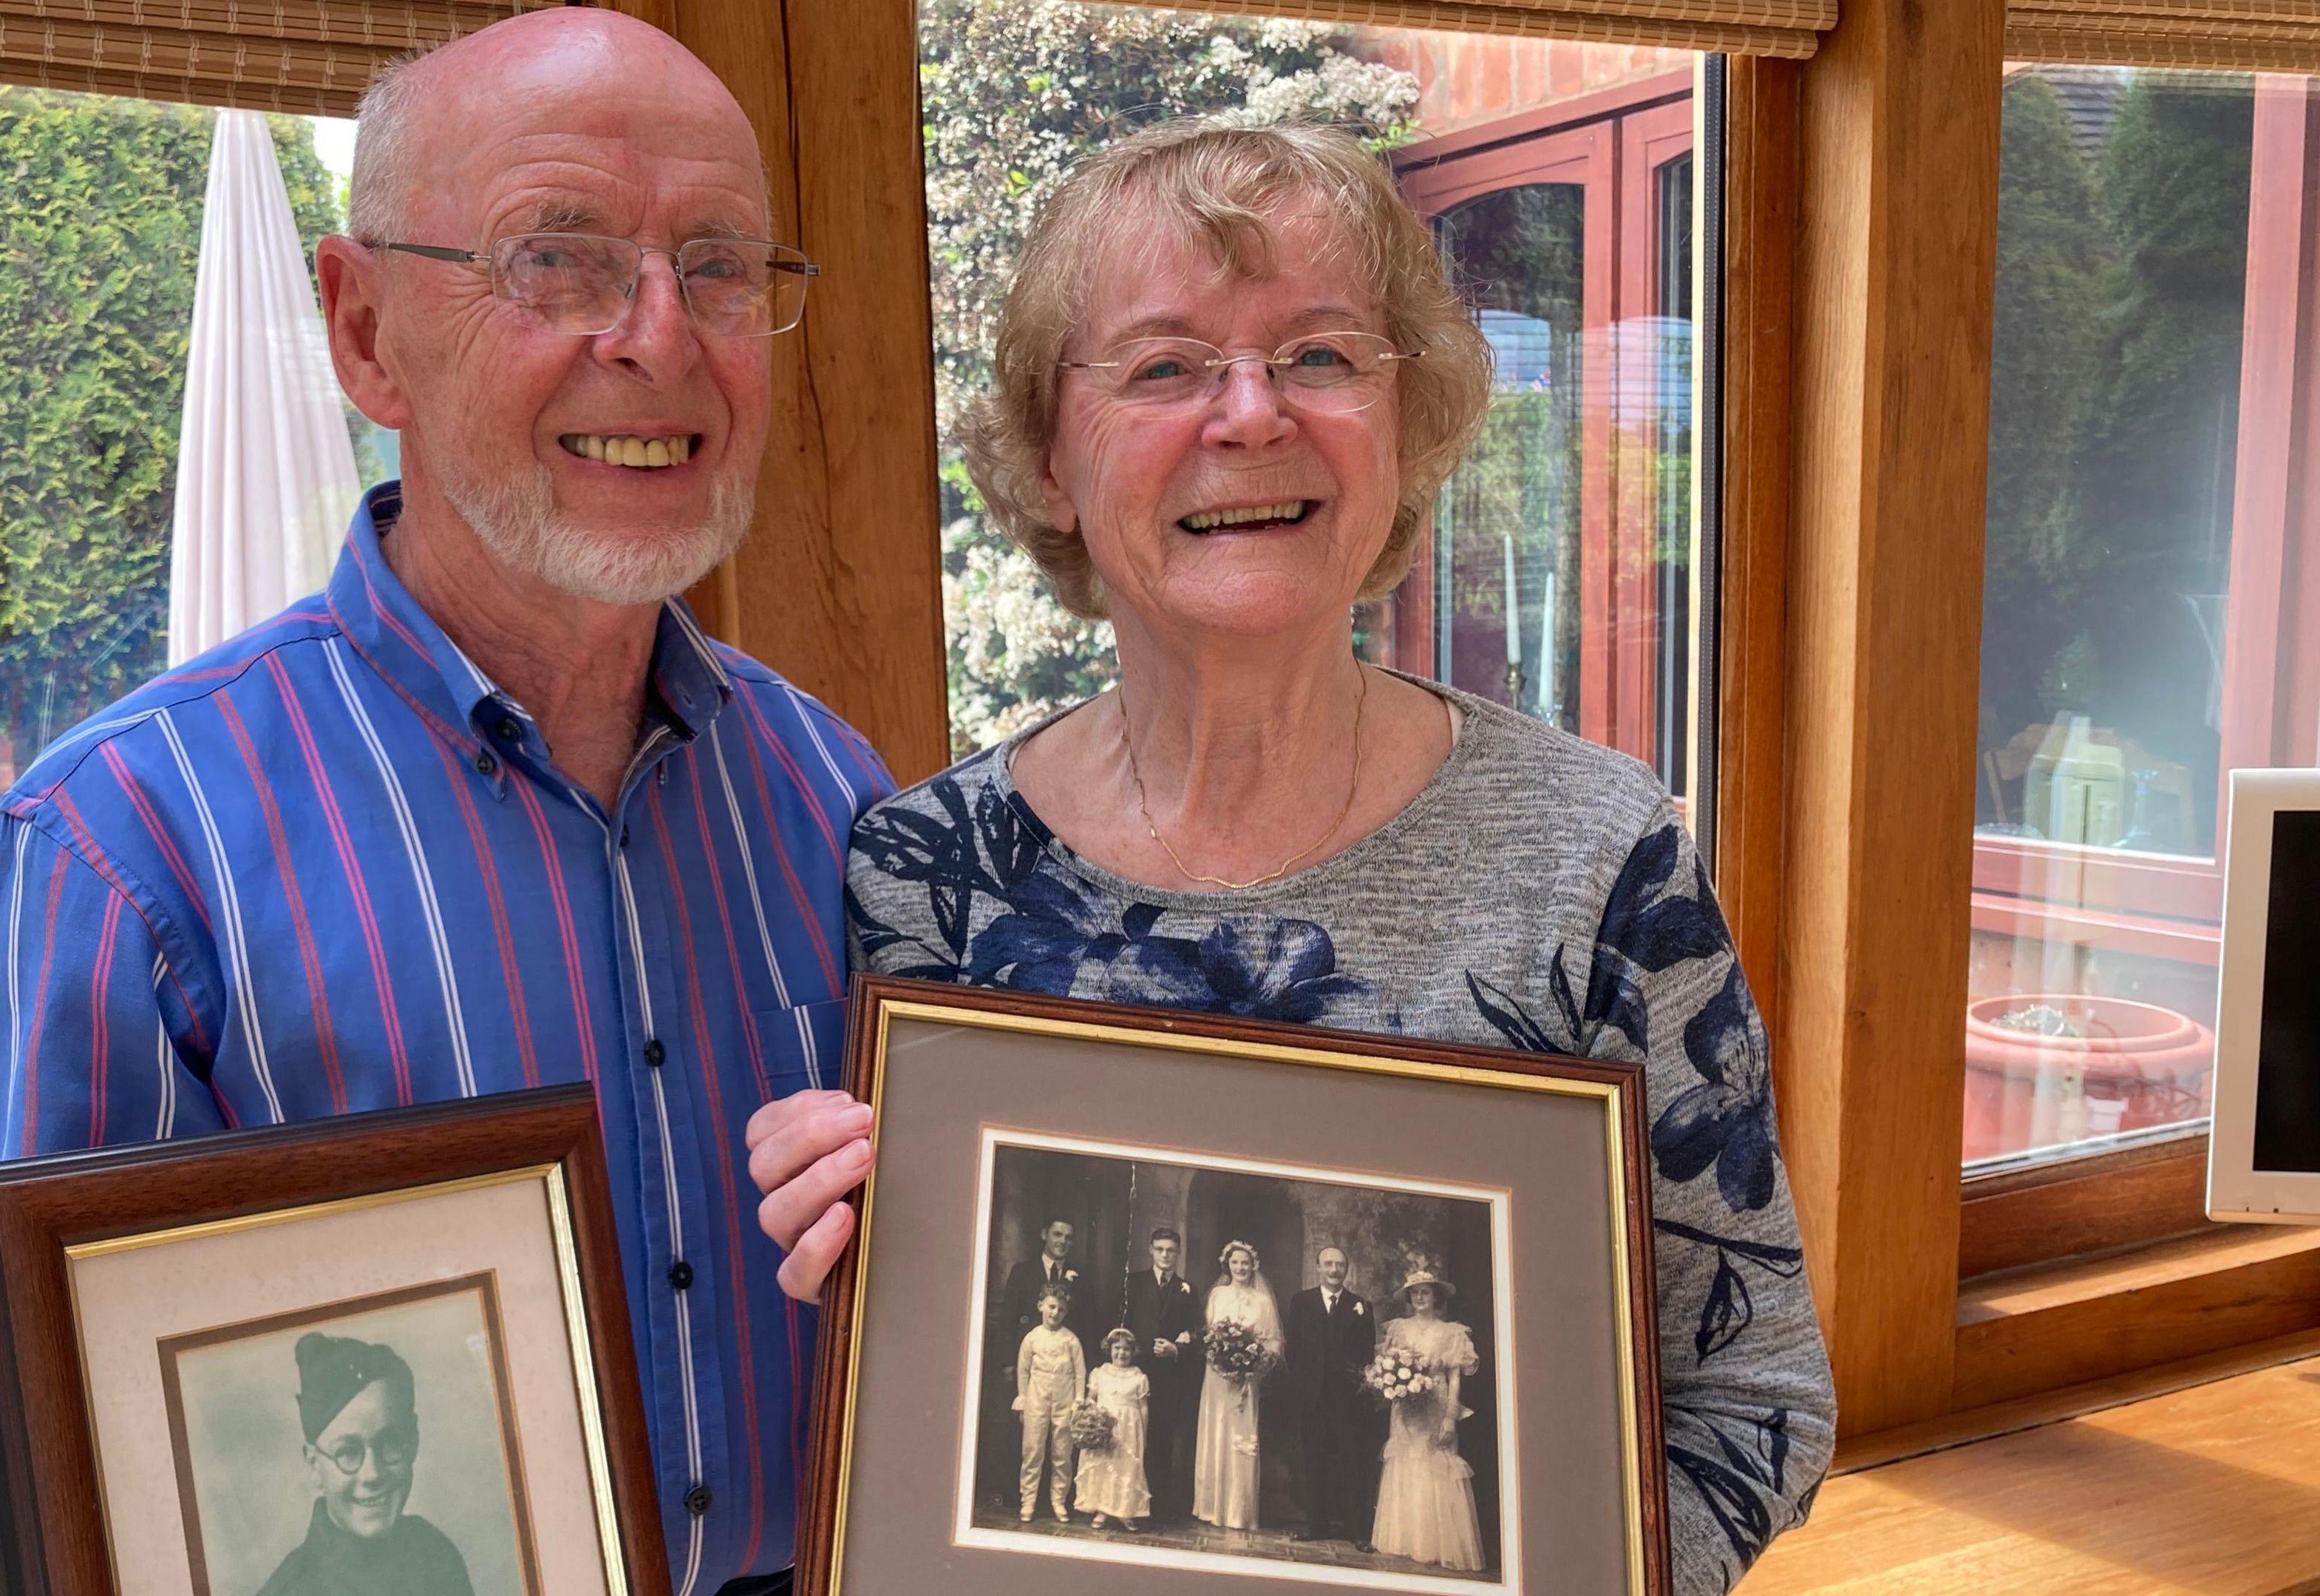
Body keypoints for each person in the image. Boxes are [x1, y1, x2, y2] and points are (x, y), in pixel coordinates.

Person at [751, 117, 1835, 1594]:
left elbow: (1755, 1396)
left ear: (1406, 423)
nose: (1252, 414)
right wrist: (842, 1274)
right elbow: (933, 1454)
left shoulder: (1600, 857)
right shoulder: (920, 870)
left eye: (1322, 356)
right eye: (1164, 366)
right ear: (1053, 457)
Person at [0, 14, 891, 1596]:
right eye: (558, 258)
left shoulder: (836, 794)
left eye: (721, 265)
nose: (658, 336)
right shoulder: (130, 845)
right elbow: (81, 1505)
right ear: (364, 327)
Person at [258, 1334, 476, 1596]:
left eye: (390, 1443)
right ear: (315, 1465)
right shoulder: (291, 1590)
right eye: (348, 1453)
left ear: (413, 1441)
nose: (372, 1474)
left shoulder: (434, 1554)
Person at [1369, 1272, 1483, 1571]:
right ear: (1410, 1298)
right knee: (1407, 1460)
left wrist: (1450, 1416)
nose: (1420, 1298)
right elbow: (1388, 1365)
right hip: (1405, 1406)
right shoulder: (1399, 1329)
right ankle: (1404, 1539)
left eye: (1426, 1293)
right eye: (1415, 1293)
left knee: (1436, 1462)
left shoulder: (1451, 1333)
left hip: (1436, 1401)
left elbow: (1455, 1376)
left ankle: (1434, 1543)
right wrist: (1393, 1383)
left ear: (1436, 1298)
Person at [1281, 1244, 1376, 1543]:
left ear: (1346, 1270)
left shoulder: (1361, 1305)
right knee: (1314, 1463)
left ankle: (1357, 1531)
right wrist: (1303, 1386)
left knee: (1352, 1464)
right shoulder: (1301, 1302)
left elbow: (1366, 1353)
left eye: (1340, 1265)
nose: (1334, 1270)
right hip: (1312, 1397)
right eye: (1328, 1264)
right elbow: (1293, 1349)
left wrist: (1355, 1383)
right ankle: (1315, 1525)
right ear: (1318, 1267)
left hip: (1348, 1399)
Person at [1193, 1239, 1279, 1530]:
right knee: (1216, 1433)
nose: (1240, 1268)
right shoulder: (1217, 1295)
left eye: (1245, 1263)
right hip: (1217, 1377)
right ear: (1227, 1265)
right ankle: (1211, 1507)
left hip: (1245, 1381)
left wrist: (1254, 1363)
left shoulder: (1263, 1302)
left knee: (1242, 1440)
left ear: (1253, 1265)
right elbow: (1209, 1335)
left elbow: (1273, 1342)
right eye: (1235, 1263)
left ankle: (1237, 1512)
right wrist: (1223, 1355)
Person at [1123, 1226, 1200, 1524]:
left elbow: (1197, 1333)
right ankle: (1128, 1504)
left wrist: (1177, 1349)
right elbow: (1121, 1322)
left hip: (1170, 1378)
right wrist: (1138, 1349)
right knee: (1132, 1436)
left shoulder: (1188, 1290)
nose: (1165, 1255)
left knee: (1162, 1440)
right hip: (1136, 1371)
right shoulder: (1133, 1283)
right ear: (1151, 1251)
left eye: (1171, 1250)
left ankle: (1157, 1510)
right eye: (1160, 1250)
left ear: (1178, 1254)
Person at [1011, 1284, 1089, 1524]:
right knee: (1033, 1452)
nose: (1055, 1313)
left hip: (1064, 1402)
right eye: (1052, 1307)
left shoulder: (1071, 1340)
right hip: (1037, 1400)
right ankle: (1029, 1501)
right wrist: (1023, 1400)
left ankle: (1059, 1501)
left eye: (1061, 1309)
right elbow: (1023, 1371)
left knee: (1062, 1454)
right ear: (1041, 1306)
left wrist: (1078, 1401)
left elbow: (1079, 1373)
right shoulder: (1031, 1338)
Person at [1074, 1327, 1152, 1530]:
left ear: (1133, 1352)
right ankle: (1102, 1510)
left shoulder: (1139, 1377)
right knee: (1105, 1467)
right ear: (1110, 1349)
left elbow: (1143, 1408)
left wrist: (1143, 1433)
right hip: (1105, 1429)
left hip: (1129, 1430)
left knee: (1125, 1468)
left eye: (1127, 1349)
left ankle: (1125, 1511)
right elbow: (1091, 1401)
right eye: (1117, 1348)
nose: (1122, 1353)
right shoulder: (1100, 1373)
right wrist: (1089, 1421)